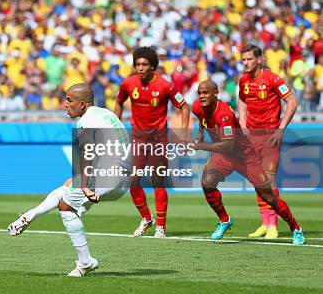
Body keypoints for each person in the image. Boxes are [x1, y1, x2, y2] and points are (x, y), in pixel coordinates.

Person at [7, 83, 131, 277]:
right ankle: (29, 216)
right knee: (66, 187)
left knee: (66, 207)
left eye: (69, 100)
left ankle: (86, 262)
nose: (65, 104)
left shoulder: (86, 121)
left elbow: (87, 152)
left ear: (82, 104)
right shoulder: (105, 114)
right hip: (122, 177)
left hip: (111, 174)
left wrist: (84, 185)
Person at [191, 80, 304, 245]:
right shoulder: (197, 106)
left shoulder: (225, 114)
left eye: (205, 93)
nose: (202, 96)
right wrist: (200, 134)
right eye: (199, 93)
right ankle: (224, 220)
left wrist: (200, 145)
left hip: (243, 155)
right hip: (224, 155)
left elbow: (228, 144)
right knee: (207, 182)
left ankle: (296, 228)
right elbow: (201, 118)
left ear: (216, 94)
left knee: (269, 197)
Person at [115, 47, 190, 238]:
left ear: (153, 66)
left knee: (158, 181)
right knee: (132, 180)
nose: (140, 68)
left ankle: (161, 227)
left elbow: (184, 106)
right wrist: (115, 126)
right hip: (138, 139)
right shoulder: (128, 83)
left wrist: (184, 134)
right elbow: (119, 102)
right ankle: (147, 218)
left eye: (144, 64)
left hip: (158, 140)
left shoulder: (165, 85)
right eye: (137, 64)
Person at [238, 44, 298, 239]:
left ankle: (273, 224)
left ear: (259, 59)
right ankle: (265, 222)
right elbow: (242, 100)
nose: (245, 63)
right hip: (252, 137)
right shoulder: (243, 81)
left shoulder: (272, 79)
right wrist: (242, 121)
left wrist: (281, 129)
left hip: (270, 136)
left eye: (249, 59)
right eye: (243, 59)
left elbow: (292, 102)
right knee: (258, 180)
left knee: (269, 180)